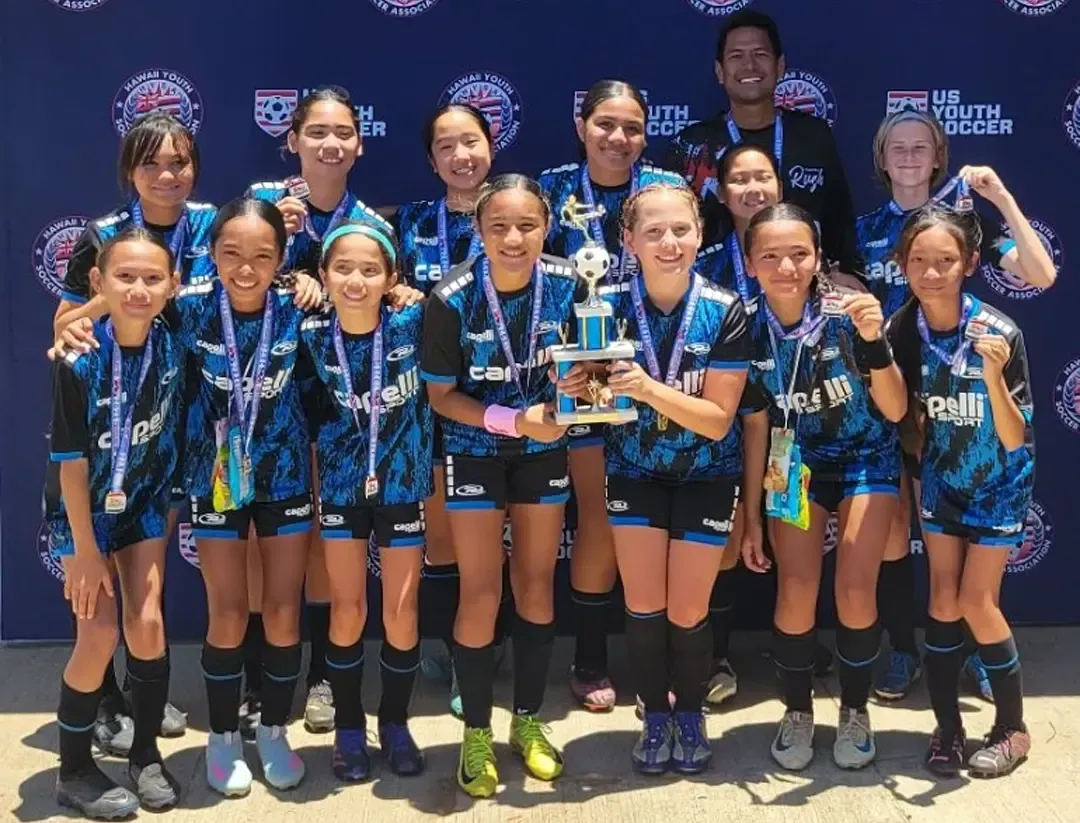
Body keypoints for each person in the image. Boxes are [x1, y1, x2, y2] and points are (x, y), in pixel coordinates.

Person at [857, 110, 1057, 702]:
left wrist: (1001, 198)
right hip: (890, 388)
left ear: (939, 156)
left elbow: (1041, 274)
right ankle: (902, 650)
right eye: (899, 147)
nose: (911, 156)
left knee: (967, 537)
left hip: (961, 395)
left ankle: (975, 650)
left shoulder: (966, 225)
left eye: (923, 146)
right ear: (882, 159)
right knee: (896, 530)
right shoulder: (864, 227)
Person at [421, 174, 586, 798]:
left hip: (544, 448)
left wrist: (570, 408)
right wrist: (513, 420)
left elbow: (592, 375)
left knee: (537, 585)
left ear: (546, 227)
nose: (514, 238)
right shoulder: (451, 296)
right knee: (482, 591)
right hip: (476, 449)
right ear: (478, 231)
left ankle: (529, 721)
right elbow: (442, 396)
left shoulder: (575, 283)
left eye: (527, 226)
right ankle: (476, 731)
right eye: (498, 227)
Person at [50, 109, 210, 749]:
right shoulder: (105, 235)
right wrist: (129, 294)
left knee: (148, 577)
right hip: (113, 411)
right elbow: (65, 328)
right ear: (130, 172)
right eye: (152, 163)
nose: (167, 174)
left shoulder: (211, 223)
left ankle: (143, 695)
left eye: (179, 161)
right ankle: (107, 699)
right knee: (100, 587)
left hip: (177, 411)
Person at [739, 204, 907, 771]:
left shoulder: (847, 312)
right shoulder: (744, 322)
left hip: (865, 459)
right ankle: (797, 711)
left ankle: (855, 711)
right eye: (770, 256)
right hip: (795, 465)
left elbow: (895, 406)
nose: (786, 266)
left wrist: (874, 339)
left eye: (799, 254)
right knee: (796, 589)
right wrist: (754, 518)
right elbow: (757, 423)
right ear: (749, 262)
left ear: (817, 258)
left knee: (856, 591)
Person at [246, 85, 391, 733]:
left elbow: (392, 310)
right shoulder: (262, 210)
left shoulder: (376, 224)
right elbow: (221, 284)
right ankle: (260, 677)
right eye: (317, 132)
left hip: (344, 411)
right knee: (268, 548)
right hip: (265, 408)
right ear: (293, 140)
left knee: (330, 551)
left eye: (342, 133)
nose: (330, 144)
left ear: (359, 144)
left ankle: (327, 680)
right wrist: (279, 262)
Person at [538, 79, 685, 713]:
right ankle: (591, 657)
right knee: (598, 519)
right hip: (583, 375)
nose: (617, 138)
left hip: (662, 367)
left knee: (665, 519)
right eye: (605, 124)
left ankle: (674, 660)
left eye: (630, 127)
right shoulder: (550, 188)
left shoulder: (664, 187)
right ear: (581, 125)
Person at [593, 183, 749, 773]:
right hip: (633, 470)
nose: (669, 242)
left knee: (687, 611)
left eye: (680, 230)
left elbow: (716, 421)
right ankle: (655, 714)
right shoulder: (601, 303)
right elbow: (589, 401)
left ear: (700, 235)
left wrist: (647, 388)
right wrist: (573, 392)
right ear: (627, 240)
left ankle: (690, 714)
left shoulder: (725, 307)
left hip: (707, 473)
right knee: (644, 605)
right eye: (653, 231)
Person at [886, 206, 1034, 778]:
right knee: (942, 603)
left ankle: (1011, 728)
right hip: (943, 480)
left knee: (977, 602)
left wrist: (993, 377)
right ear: (902, 265)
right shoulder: (903, 329)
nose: (931, 272)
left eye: (945, 261)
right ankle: (947, 729)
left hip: (999, 482)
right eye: (918, 261)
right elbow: (903, 413)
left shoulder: (999, 332)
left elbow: (1015, 434)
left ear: (969, 263)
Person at [177, 199, 316, 795]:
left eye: (262, 255)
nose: (245, 267)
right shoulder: (186, 310)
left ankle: (274, 729)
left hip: (284, 473)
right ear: (211, 255)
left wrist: (400, 295)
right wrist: (77, 323)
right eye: (230, 253)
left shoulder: (299, 309)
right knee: (229, 612)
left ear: (282, 261)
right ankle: (223, 735)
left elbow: (369, 310)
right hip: (217, 477)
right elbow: (117, 321)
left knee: (283, 612)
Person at [48, 228, 183, 818]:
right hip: (81, 513)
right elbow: (71, 467)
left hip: (145, 501)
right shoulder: (75, 361)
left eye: (153, 278)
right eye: (124, 277)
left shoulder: (174, 346)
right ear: (98, 284)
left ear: (172, 286)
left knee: (148, 622)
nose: (138, 289)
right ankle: (73, 769)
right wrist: (82, 549)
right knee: (99, 634)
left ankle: (146, 754)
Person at [299, 219, 431, 781]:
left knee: (401, 612)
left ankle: (396, 722)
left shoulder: (416, 320)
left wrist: (420, 293)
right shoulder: (306, 333)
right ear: (324, 275)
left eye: (370, 270)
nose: (356, 280)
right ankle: (350, 726)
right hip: (341, 488)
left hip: (402, 484)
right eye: (343, 269)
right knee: (347, 609)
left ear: (392, 277)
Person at [394, 103, 497, 718]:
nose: (462, 155)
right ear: (432, 160)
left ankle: (483, 649)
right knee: (441, 538)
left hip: (502, 402)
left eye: (472, 142)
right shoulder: (406, 222)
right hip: (430, 403)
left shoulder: (521, 210)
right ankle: (456, 650)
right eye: (447, 146)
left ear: (491, 145)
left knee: (491, 542)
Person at [664, 10, 859, 275]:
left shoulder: (813, 136)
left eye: (760, 54)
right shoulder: (692, 145)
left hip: (800, 283)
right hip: (713, 292)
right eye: (736, 56)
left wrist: (844, 273)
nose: (749, 65)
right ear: (720, 71)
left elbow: (840, 222)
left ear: (779, 67)